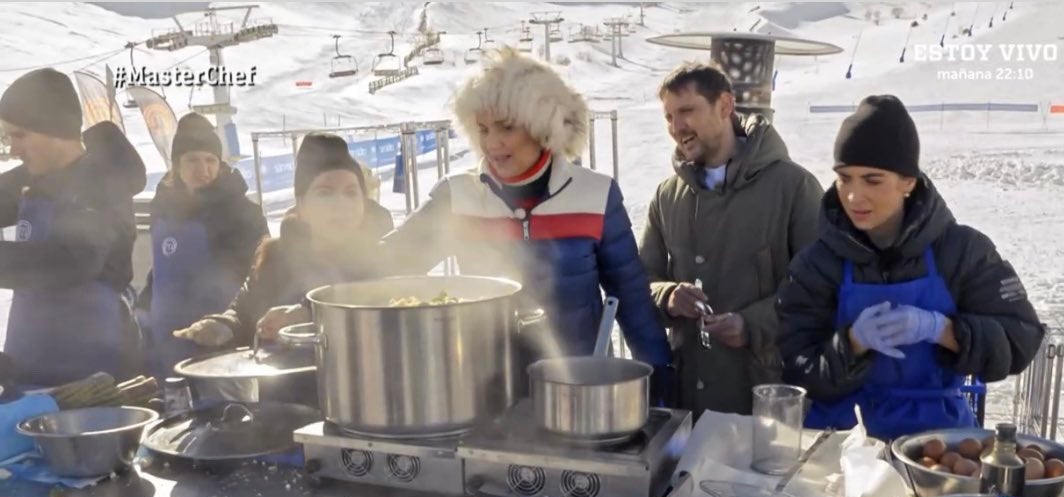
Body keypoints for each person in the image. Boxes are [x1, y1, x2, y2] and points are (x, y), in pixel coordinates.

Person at [377, 46, 673, 401]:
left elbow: (631, 297)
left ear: (542, 127)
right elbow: (388, 266)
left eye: (506, 127)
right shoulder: (457, 197)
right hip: (482, 389)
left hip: (578, 390)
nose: (492, 143)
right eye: (483, 129)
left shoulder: (594, 195)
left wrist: (660, 381)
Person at [776, 95, 1044, 440]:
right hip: (843, 441)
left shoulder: (961, 251)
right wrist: (852, 343)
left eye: (872, 180)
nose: (855, 196)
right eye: (845, 178)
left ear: (908, 182)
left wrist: (941, 330)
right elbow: (796, 366)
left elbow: (1021, 338)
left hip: (940, 442)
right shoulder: (818, 263)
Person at [639, 62, 823, 417]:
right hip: (688, 402)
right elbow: (641, 282)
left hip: (767, 406)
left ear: (725, 106)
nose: (677, 128)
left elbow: (819, 291)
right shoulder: (666, 196)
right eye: (669, 117)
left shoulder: (793, 188)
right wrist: (669, 297)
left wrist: (753, 325)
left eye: (687, 111)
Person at [174, 133, 392, 348]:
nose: (340, 204)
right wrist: (223, 324)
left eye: (351, 192)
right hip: (286, 382)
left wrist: (307, 313)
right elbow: (243, 311)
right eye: (325, 193)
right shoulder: (275, 256)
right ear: (302, 205)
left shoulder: (381, 261)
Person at [0, 68, 145, 387]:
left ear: (54, 130)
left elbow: (70, 261)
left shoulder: (103, 183)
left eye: (20, 135)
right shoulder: (31, 176)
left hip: (92, 372)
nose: (13, 149)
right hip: (28, 364)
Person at [134, 113, 269, 378]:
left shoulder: (241, 213)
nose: (203, 169)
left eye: (210, 160)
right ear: (176, 165)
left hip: (218, 343)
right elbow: (162, 267)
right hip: (166, 342)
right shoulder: (162, 208)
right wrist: (144, 308)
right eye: (192, 160)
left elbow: (260, 277)